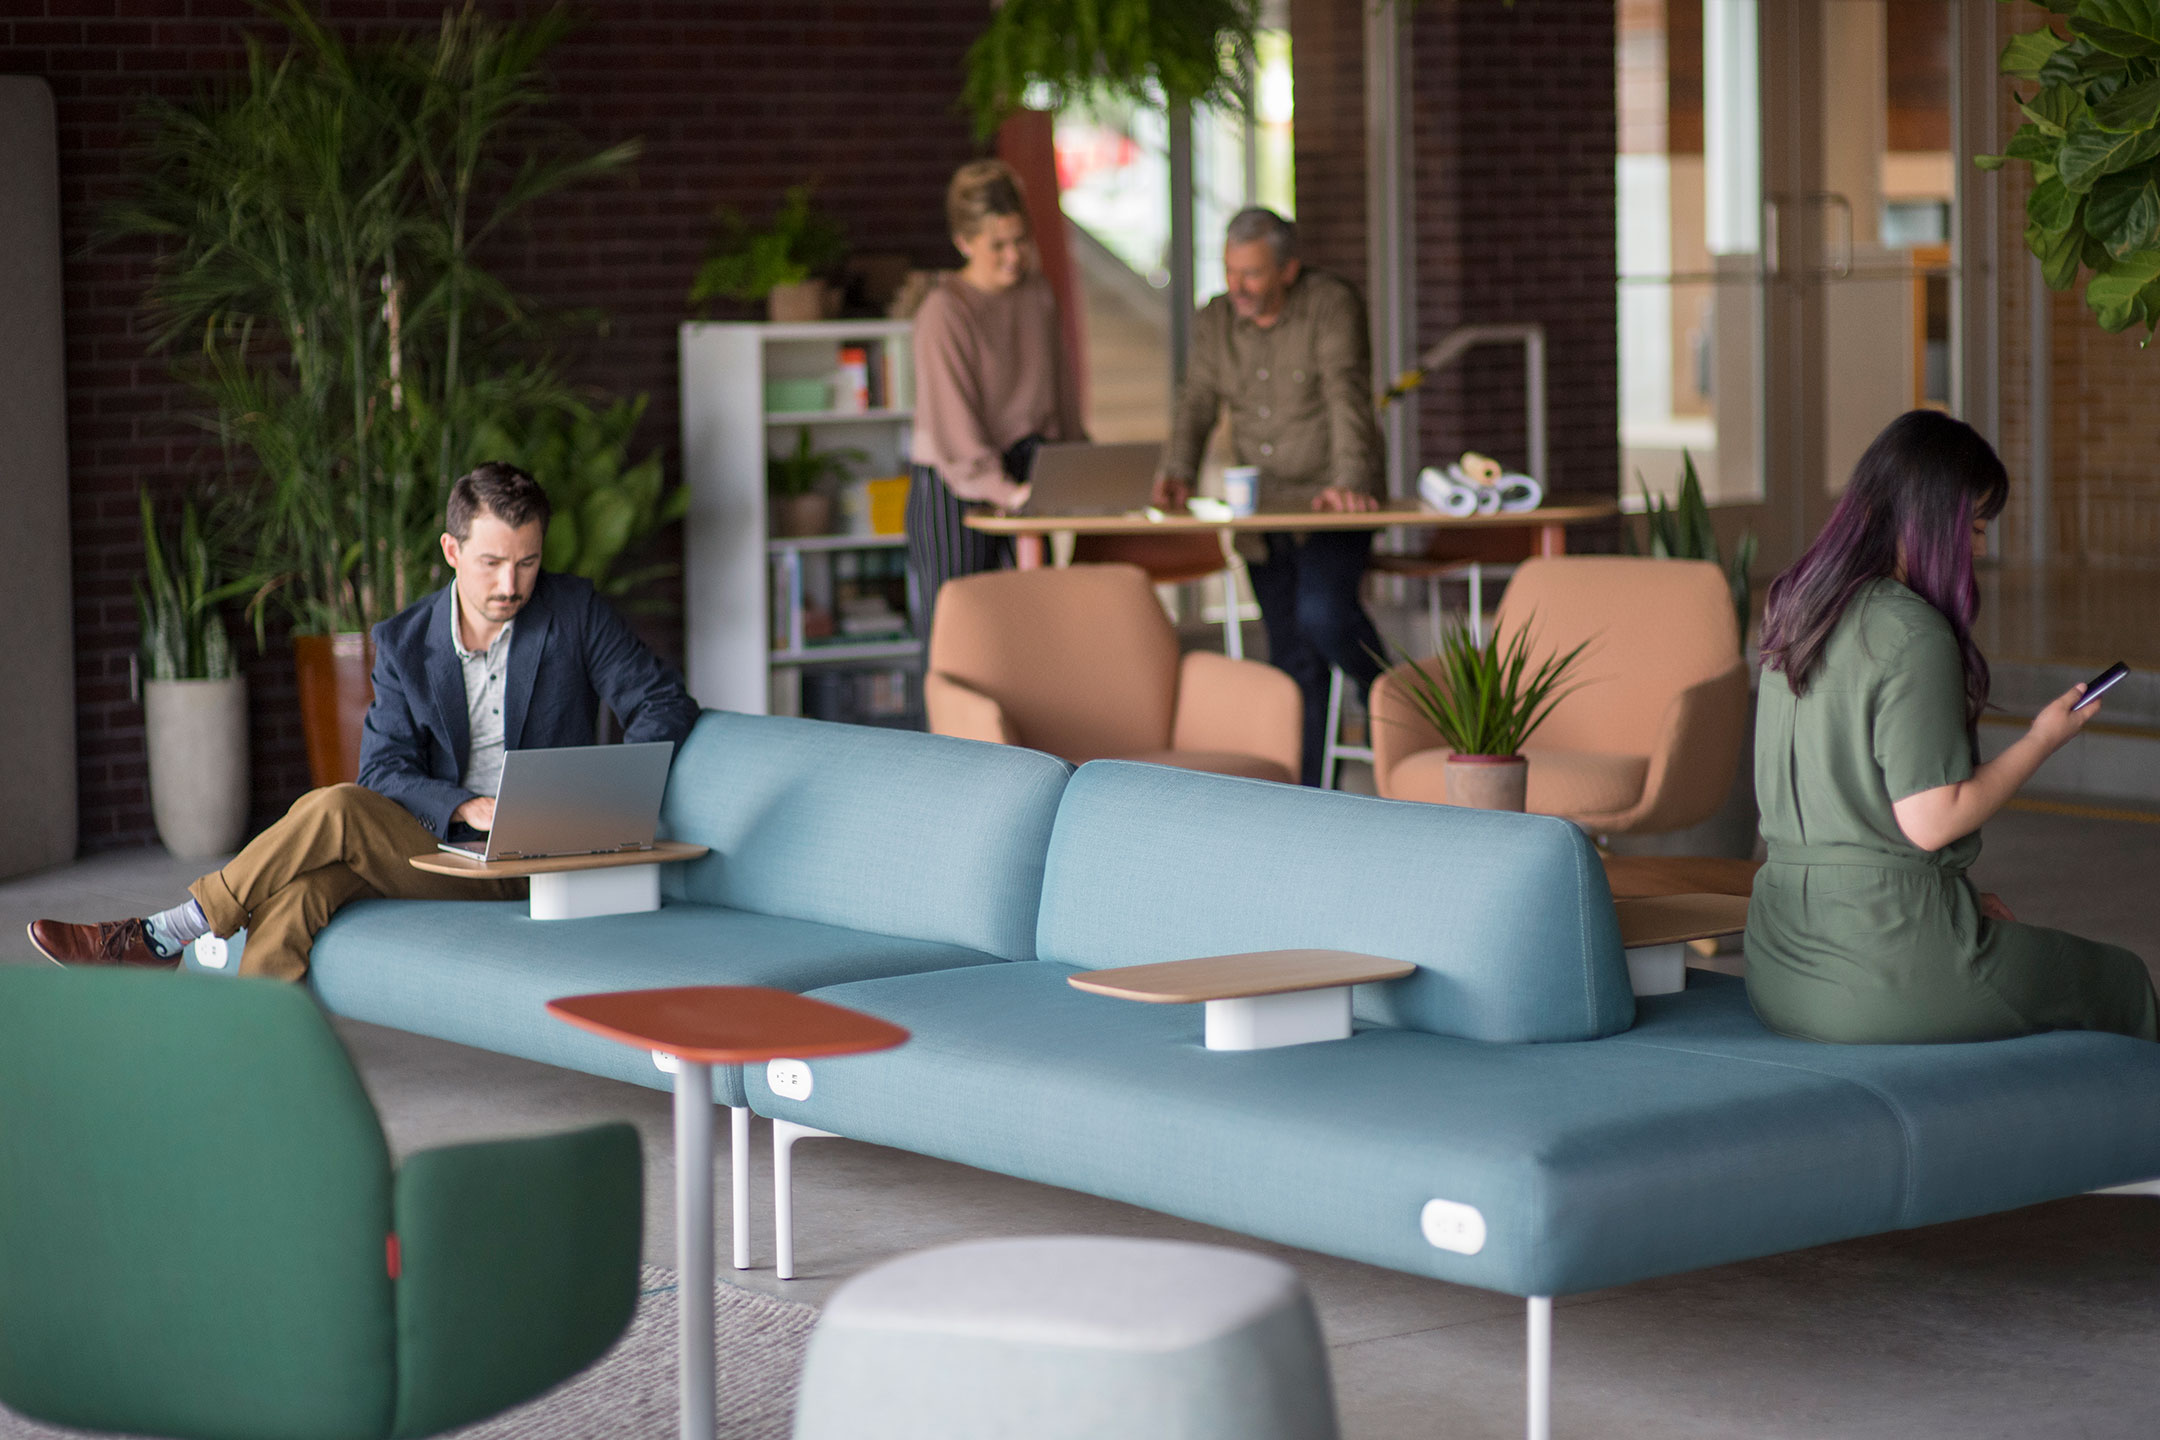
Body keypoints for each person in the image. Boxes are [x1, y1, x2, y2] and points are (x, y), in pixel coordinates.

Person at [29, 463, 701, 982]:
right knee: (307, 888)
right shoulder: (406, 641)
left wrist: (591, 792)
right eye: (492, 563)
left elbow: (665, 703)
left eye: (527, 562)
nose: (511, 584)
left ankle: (164, 932)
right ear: (451, 550)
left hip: (542, 855)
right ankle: (244, 1053)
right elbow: (383, 771)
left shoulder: (574, 611)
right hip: (443, 849)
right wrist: (466, 808)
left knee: (335, 811)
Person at [1747, 410, 2157, 1044]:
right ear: (1927, 517)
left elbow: (1849, 822)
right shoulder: (1913, 632)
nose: (1981, 549)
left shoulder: (1795, 611)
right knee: (2121, 980)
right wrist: (2043, 739)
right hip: (1886, 970)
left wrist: (1943, 897)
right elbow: (1933, 820)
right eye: (1975, 526)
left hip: (1779, 965)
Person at [1154, 207, 1386, 787]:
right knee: (1291, 660)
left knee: (1323, 614)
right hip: (1261, 509)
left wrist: (1351, 480)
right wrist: (1178, 470)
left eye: (1252, 274)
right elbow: (1197, 399)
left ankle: (1386, 691)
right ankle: (1310, 798)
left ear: (1288, 269)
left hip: (1332, 501)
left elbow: (1347, 394)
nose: (1237, 286)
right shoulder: (1215, 319)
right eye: (1231, 271)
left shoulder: (1330, 304)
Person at [906, 157, 1085, 633]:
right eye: (997, 245)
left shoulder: (1038, 296)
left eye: (1021, 240)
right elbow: (956, 434)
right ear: (964, 242)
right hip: (956, 484)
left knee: (1032, 632)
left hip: (1026, 476)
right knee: (960, 637)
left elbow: (1061, 394)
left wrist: (1076, 466)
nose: (1013, 256)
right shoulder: (944, 312)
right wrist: (1008, 492)